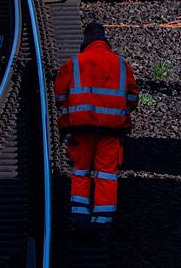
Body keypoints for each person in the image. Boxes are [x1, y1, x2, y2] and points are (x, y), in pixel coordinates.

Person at [54, 22, 139, 236]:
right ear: (105, 41)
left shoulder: (74, 63)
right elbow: (132, 97)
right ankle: (102, 222)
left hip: (81, 129)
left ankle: (80, 217)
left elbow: (60, 96)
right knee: (107, 174)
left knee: (80, 171)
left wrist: (73, 111)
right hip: (111, 131)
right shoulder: (121, 64)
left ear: (85, 41)